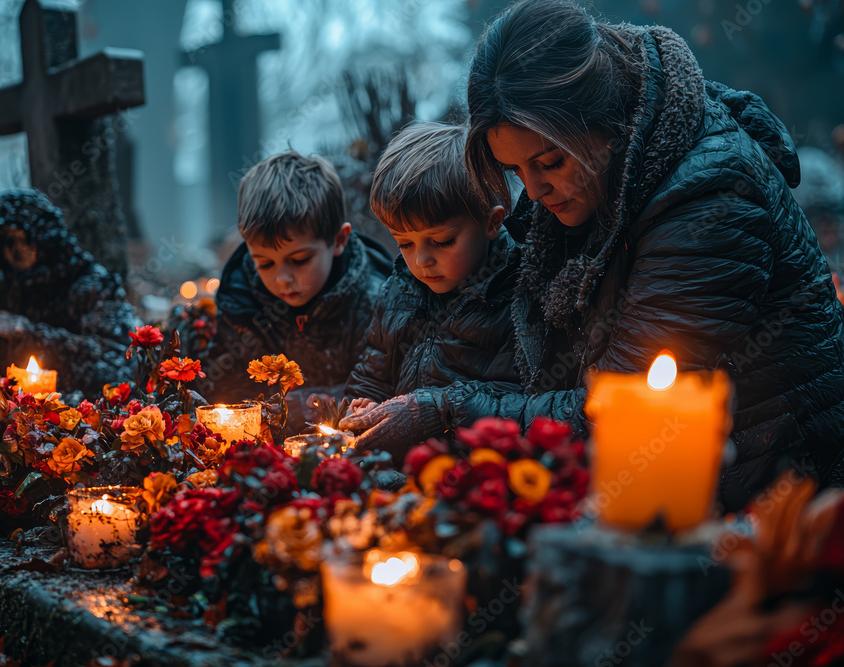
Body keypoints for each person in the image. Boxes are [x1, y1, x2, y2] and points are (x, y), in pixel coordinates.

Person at [341, 0, 844, 511]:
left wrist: (446, 410)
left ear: (601, 120)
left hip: (767, 498)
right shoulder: (599, 178)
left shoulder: (707, 203)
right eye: (516, 171)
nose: (533, 193)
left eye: (549, 162)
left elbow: (622, 414)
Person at [344, 122, 521, 448]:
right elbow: (372, 376)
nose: (421, 260)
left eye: (442, 241)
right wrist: (364, 404)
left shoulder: (514, 298)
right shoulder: (399, 291)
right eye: (405, 244)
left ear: (491, 222)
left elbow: (514, 402)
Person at [193, 151, 392, 430]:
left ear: (338, 240)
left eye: (299, 260)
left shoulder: (377, 297)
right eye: (264, 262)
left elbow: (384, 389)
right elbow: (228, 388)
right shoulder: (241, 299)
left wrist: (304, 407)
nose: (282, 278)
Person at [0, 189, 139, 397]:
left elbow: (119, 363)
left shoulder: (93, 284)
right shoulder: (2, 289)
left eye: (25, 239)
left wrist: (30, 335)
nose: (16, 250)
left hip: (85, 416)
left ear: (46, 239)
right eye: (7, 241)